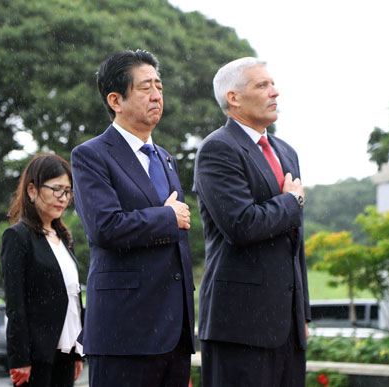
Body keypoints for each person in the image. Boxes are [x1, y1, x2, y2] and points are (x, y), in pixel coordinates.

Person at [70, 49, 195, 387]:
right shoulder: (90, 155)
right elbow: (105, 228)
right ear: (116, 100)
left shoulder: (165, 159)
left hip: (174, 334)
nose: (156, 96)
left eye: (159, 86)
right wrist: (167, 218)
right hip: (124, 330)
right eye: (145, 88)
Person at [193, 57, 310, 386]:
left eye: (272, 84)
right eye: (262, 85)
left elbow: (293, 243)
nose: (275, 92)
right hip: (239, 324)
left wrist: (302, 312)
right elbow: (241, 225)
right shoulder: (218, 149)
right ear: (233, 97)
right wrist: (292, 201)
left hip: (287, 326)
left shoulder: (286, 151)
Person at [1, 153, 84, 387]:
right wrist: (19, 357)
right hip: (36, 356)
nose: (63, 198)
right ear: (32, 190)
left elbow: (73, 298)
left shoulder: (64, 238)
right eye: (56, 189)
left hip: (66, 351)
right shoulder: (18, 237)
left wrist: (78, 351)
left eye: (67, 191)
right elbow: (14, 304)